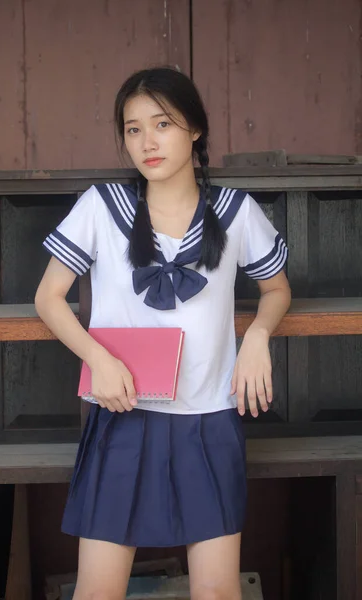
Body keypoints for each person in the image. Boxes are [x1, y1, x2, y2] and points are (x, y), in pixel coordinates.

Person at [35, 67, 291, 600]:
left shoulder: (236, 212)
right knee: (98, 592)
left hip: (210, 421)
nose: (147, 142)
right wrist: (98, 360)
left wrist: (259, 337)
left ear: (194, 129)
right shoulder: (103, 207)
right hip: (123, 418)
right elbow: (48, 297)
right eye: (133, 129)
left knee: (218, 593)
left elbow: (277, 289)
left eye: (162, 124)